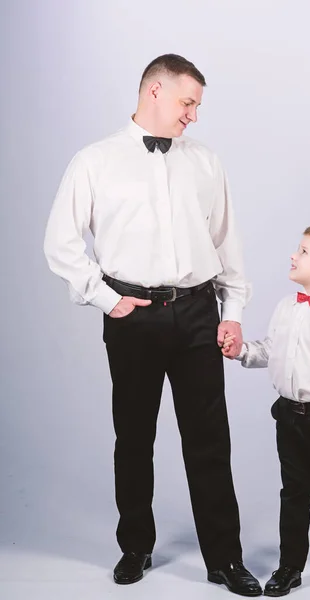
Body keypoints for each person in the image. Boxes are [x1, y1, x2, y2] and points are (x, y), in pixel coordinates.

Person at [44, 53, 262, 596]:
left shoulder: (206, 161)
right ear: (155, 91)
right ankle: (135, 547)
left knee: (210, 439)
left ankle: (224, 559)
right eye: (188, 103)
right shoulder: (94, 161)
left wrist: (232, 313)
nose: (194, 116)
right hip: (133, 315)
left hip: (196, 312)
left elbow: (226, 243)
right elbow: (61, 242)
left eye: (198, 105)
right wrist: (103, 296)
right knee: (134, 436)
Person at [223, 224, 310, 596]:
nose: (293, 255)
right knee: (294, 492)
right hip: (287, 415)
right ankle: (290, 567)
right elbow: (272, 349)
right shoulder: (285, 307)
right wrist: (241, 351)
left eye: (303, 251)